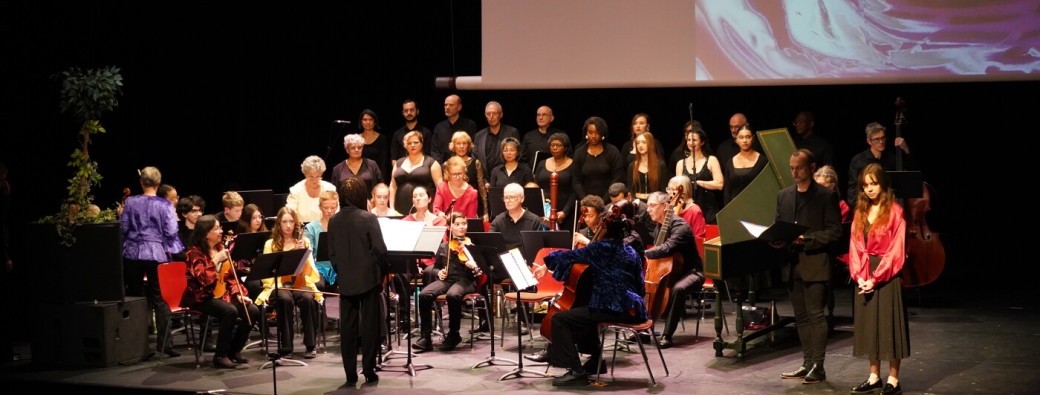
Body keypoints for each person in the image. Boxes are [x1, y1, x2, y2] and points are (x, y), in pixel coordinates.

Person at [538, 200, 647, 387]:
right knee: (587, 311)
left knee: (560, 319)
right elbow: (640, 287)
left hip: (613, 309)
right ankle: (596, 361)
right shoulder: (631, 251)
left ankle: (576, 371)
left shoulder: (600, 249)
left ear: (606, 228)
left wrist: (546, 262)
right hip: (634, 310)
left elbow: (568, 256)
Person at [774, 150, 843, 384]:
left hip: (815, 264)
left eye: (799, 167)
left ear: (811, 167)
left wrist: (808, 239)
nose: (794, 172)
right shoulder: (783, 195)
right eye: (792, 168)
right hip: (792, 264)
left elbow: (835, 231)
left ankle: (818, 366)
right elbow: (779, 225)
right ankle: (807, 363)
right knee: (801, 317)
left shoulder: (825, 196)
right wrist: (776, 239)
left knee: (815, 314)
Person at [847, 163, 910, 395]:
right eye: (866, 185)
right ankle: (874, 376)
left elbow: (896, 250)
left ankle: (893, 379)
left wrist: (875, 279)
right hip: (865, 273)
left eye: (873, 184)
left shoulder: (895, 211)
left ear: (882, 184)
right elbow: (854, 245)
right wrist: (860, 276)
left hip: (887, 274)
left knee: (889, 326)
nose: (870, 189)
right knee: (870, 327)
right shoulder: (861, 211)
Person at [328, 177, 388, 385]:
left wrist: (342, 273)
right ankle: (369, 370)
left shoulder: (334, 221)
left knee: (348, 329)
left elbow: (332, 255)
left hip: (346, 281)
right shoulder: (368, 218)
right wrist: (381, 274)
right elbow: (380, 251)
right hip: (369, 279)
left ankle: (350, 374)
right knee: (370, 326)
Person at [120, 166, 184, 358]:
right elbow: (171, 231)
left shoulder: (131, 202)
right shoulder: (165, 205)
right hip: (156, 253)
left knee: (135, 298)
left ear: (141, 182)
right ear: (158, 183)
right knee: (160, 299)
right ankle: (165, 345)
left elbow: (123, 227)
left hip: (132, 253)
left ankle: (138, 347)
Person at [183, 215, 260, 369]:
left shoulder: (220, 249)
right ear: (206, 233)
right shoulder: (193, 253)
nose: (221, 231)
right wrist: (216, 260)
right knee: (229, 311)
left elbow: (230, 277)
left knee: (252, 311)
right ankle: (220, 355)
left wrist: (238, 294)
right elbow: (202, 279)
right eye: (217, 228)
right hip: (201, 296)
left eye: (220, 227)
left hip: (223, 294)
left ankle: (234, 351)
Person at [255, 207, 323, 359]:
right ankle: (286, 347)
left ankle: (310, 344)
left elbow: (310, 271)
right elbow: (267, 273)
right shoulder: (270, 244)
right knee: (284, 299)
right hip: (278, 285)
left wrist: (303, 255)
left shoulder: (304, 242)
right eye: (284, 222)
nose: (288, 225)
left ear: (295, 223)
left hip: (299, 283)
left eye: (291, 221)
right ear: (279, 224)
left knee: (307, 298)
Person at [412, 212, 482, 352]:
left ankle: (454, 334)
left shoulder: (472, 246)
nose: (461, 227)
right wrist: (439, 273)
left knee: (453, 295)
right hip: (447, 280)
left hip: (466, 280)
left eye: (464, 224)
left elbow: (480, 271)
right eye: (457, 224)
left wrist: (472, 266)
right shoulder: (444, 247)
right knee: (424, 294)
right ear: (450, 227)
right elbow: (436, 267)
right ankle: (426, 337)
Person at [643, 191, 702, 349]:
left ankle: (667, 335)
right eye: (648, 206)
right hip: (669, 273)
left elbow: (667, 248)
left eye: (652, 205)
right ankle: (643, 328)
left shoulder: (680, 226)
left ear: (665, 206)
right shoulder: (658, 227)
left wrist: (643, 253)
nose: (648, 209)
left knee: (678, 289)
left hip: (691, 272)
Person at [846, 122, 914, 210]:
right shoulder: (858, 161)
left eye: (883, 138)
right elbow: (852, 191)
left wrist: (906, 149)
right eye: (876, 139)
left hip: (889, 207)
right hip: (867, 208)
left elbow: (908, 173)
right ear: (869, 141)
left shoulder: (891, 158)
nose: (881, 142)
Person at [676, 126, 723, 224]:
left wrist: (698, 182)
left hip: (709, 210)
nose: (691, 143)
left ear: (702, 142)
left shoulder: (711, 160)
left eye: (694, 140)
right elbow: (678, 190)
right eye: (689, 140)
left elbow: (720, 184)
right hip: (688, 210)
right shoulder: (680, 163)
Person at [390, 130, 442, 215]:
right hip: (400, 206)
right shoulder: (398, 163)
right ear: (405, 145)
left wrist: (437, 209)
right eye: (409, 143)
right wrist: (391, 208)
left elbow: (440, 188)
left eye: (416, 142)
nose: (412, 145)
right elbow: (393, 187)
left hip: (424, 209)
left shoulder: (431, 163)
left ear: (422, 144)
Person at [533, 132, 577, 231]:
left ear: (565, 147)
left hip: (565, 212)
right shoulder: (542, 163)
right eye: (552, 145)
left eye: (558, 145)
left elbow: (575, 191)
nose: (555, 148)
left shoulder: (574, 165)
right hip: (543, 211)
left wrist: (565, 212)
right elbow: (536, 187)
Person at [573, 116, 624, 201]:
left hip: (609, 201)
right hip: (586, 202)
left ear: (602, 134)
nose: (593, 136)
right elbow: (576, 181)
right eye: (590, 132)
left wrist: (603, 201)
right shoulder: (579, 152)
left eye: (597, 132)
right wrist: (586, 201)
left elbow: (617, 178)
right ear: (586, 133)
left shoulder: (612, 151)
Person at [473, 101, 521, 182]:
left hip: (506, 179)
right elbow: (476, 158)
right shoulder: (479, 136)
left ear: (501, 115)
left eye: (494, 113)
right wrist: (483, 180)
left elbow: (518, 155)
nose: (491, 117)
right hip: (485, 182)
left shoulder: (512, 132)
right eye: (488, 114)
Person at [722, 125, 769, 205]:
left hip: (756, 204)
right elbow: (727, 191)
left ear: (753, 138)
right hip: (735, 206)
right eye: (741, 137)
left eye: (748, 137)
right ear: (736, 140)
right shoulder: (730, 162)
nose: (744, 140)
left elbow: (766, 187)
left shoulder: (762, 160)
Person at [489, 183, 543, 251]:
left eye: (511, 197)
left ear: (522, 198)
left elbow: (537, 248)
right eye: (505, 197)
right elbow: (490, 243)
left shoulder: (534, 220)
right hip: (504, 256)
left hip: (527, 257)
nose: (507, 201)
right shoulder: (498, 220)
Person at [286, 155, 338, 223]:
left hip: (326, 227)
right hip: (303, 228)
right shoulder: (296, 190)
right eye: (311, 177)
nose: (314, 180)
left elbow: (336, 212)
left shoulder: (330, 188)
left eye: (318, 177)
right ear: (305, 174)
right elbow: (290, 214)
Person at [304, 190, 339, 291]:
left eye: (333, 208)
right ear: (320, 207)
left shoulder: (342, 226)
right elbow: (308, 254)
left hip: (338, 267)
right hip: (319, 269)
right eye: (325, 208)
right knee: (318, 284)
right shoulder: (311, 228)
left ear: (337, 207)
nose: (329, 211)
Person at [431, 94, 478, 162]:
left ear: (459, 107)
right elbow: (434, 151)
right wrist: (442, 165)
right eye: (445, 105)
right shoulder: (439, 127)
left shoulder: (470, 125)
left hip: (465, 165)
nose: (447, 107)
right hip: (443, 165)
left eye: (451, 105)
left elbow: (473, 147)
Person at [626, 131, 667, 201]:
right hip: (637, 203)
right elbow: (630, 189)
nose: (640, 145)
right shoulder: (632, 166)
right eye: (638, 143)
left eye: (644, 142)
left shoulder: (660, 165)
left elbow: (664, 189)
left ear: (651, 144)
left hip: (655, 202)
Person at [391, 99, 433, 166]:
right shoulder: (397, 134)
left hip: (421, 168)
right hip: (402, 169)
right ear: (403, 113)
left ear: (417, 111)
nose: (409, 113)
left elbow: (428, 156)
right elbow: (394, 158)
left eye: (412, 110)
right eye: (406, 111)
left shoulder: (426, 132)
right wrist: (398, 170)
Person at [356, 109, 391, 183]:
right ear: (361, 122)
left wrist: (381, 182)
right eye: (365, 120)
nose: (368, 122)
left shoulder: (382, 138)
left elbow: (383, 163)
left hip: (376, 177)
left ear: (375, 122)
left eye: (370, 119)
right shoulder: (356, 138)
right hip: (359, 177)